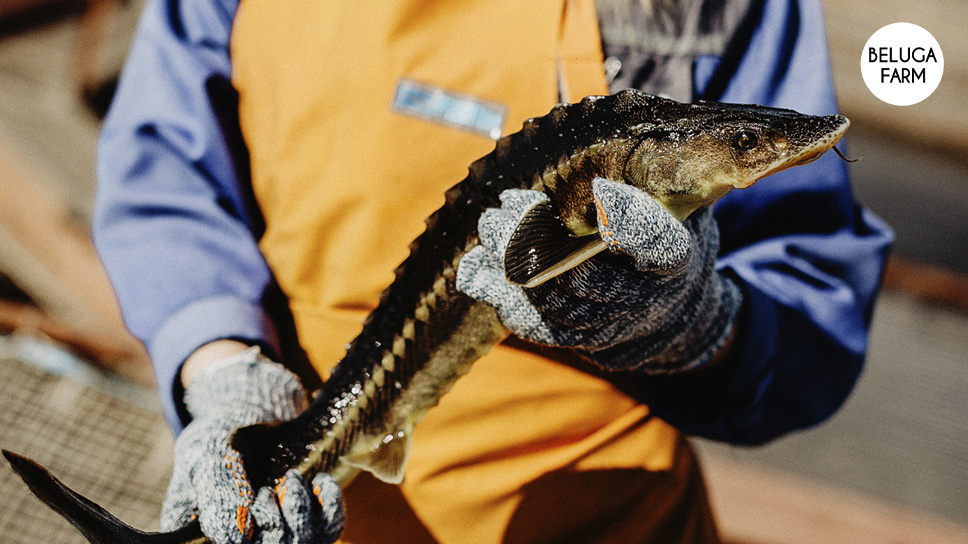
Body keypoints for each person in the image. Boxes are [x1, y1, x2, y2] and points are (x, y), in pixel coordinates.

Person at [92, 0, 892, 542]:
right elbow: (167, 171)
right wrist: (226, 369)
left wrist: (692, 324)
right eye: (751, 148)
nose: (766, 153)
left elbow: (812, 307)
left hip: (592, 519)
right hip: (311, 504)